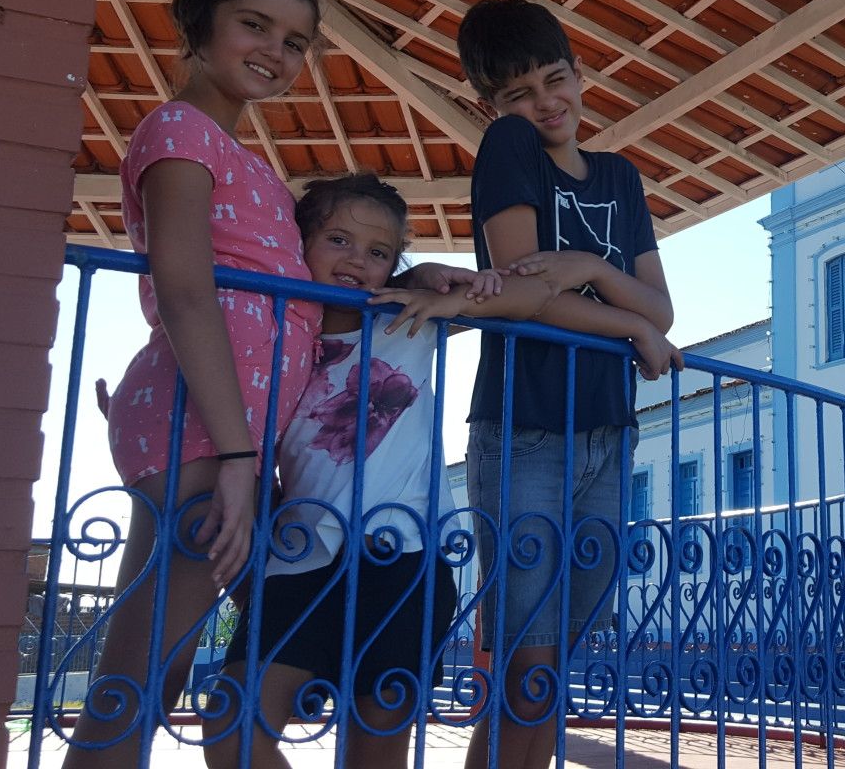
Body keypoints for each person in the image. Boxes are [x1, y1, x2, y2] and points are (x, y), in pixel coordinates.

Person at [376, 0, 678, 769]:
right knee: (530, 663)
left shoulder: (620, 176)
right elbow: (525, 297)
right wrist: (629, 323)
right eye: (518, 94)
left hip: (609, 432)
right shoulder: (510, 147)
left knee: (551, 667)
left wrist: (591, 270)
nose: (546, 103)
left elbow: (661, 306)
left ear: (580, 73)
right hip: (526, 430)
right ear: (490, 106)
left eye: (555, 80)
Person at [201, 173, 576, 768]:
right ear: (299, 242)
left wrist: (429, 280)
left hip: (403, 566)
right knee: (230, 729)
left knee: (374, 753)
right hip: (299, 562)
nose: (357, 261)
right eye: (338, 241)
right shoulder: (273, 335)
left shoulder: (407, 319)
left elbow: (525, 298)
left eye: (377, 253)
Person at [65, 0, 326, 767]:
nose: (276, 54)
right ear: (199, 24)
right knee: (140, 675)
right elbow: (184, 289)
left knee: (156, 671)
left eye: (295, 42)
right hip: (205, 432)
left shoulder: (238, 155)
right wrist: (243, 456)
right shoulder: (179, 128)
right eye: (255, 24)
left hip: (220, 432)